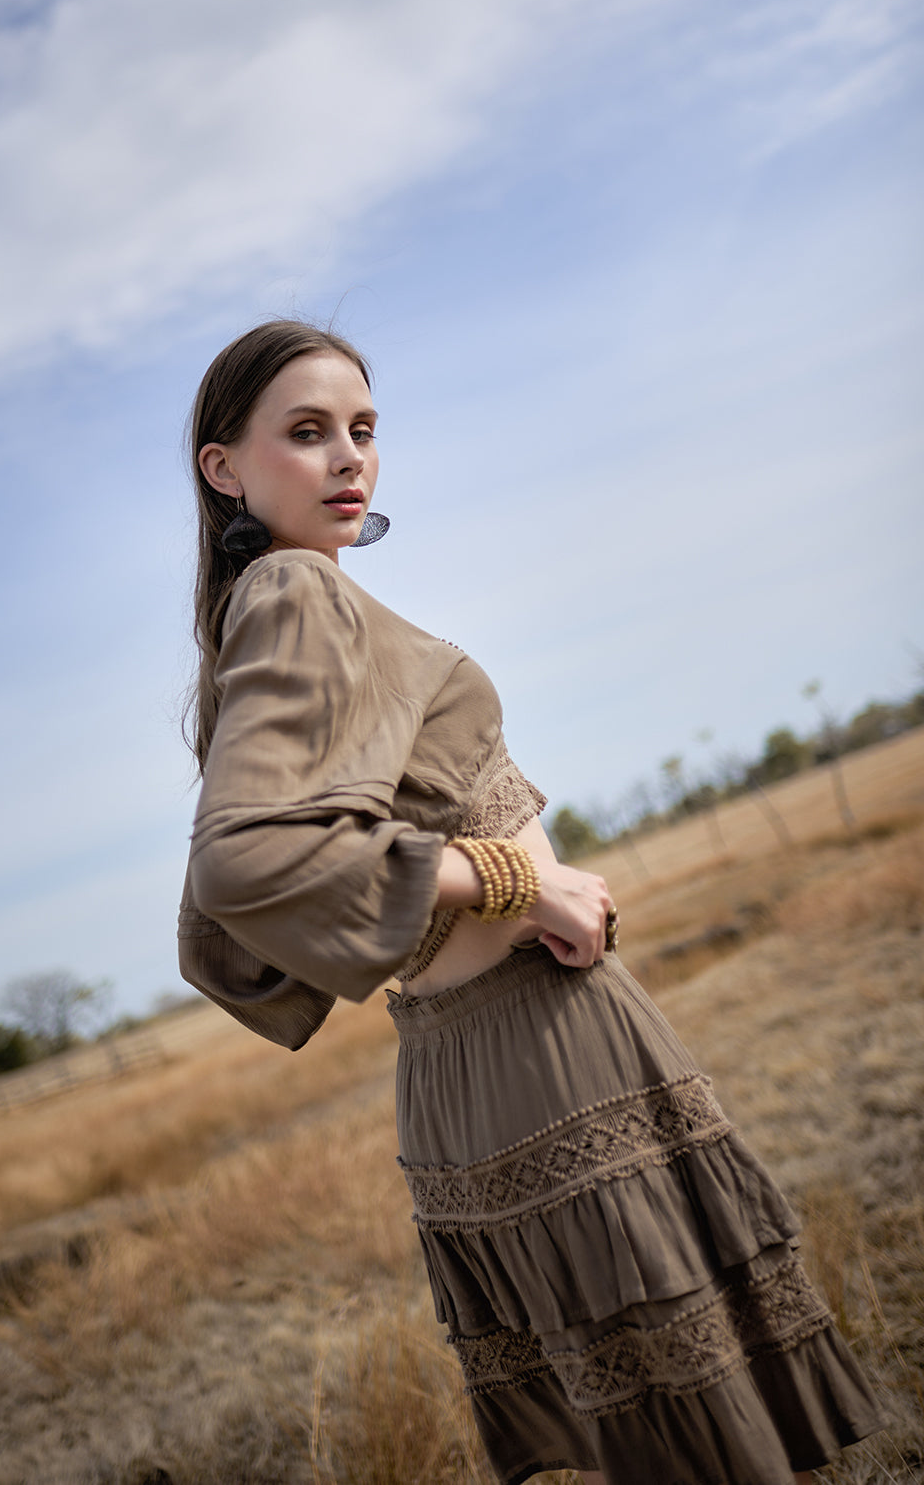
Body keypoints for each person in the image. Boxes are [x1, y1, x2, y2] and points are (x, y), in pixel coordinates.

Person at [177, 319, 885, 1485]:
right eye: (306, 434)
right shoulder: (298, 591)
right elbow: (245, 864)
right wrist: (517, 881)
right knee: (699, 1442)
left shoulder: (290, 606)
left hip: (483, 1065)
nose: (349, 458)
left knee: (665, 1434)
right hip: (534, 1055)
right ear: (225, 468)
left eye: (362, 430)